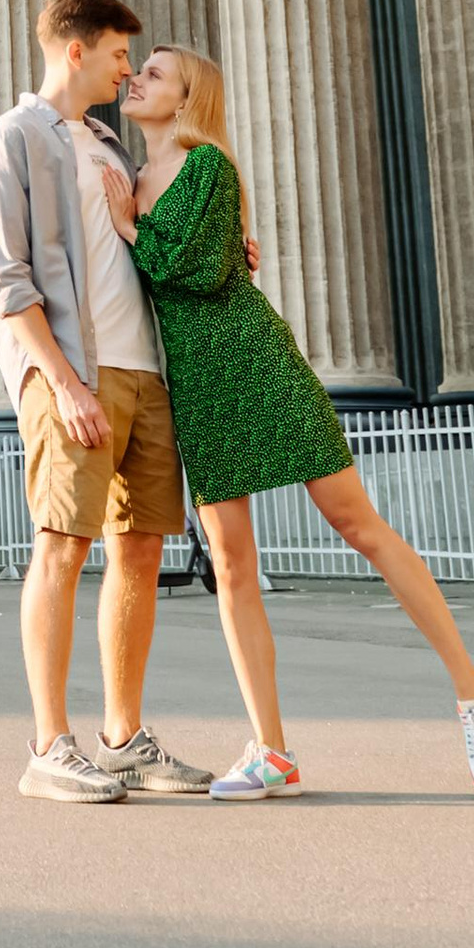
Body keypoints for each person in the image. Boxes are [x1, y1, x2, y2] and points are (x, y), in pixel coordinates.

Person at [112, 45, 474, 798]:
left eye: (154, 72)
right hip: (199, 389)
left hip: (254, 360)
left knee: (359, 524)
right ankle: (272, 752)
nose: (136, 78)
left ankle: (470, 691)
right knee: (233, 567)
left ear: (184, 99)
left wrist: (133, 231)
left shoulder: (206, 163)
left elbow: (201, 271)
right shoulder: (129, 177)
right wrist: (129, 224)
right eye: (136, 67)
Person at [0, 0, 212, 803]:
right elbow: (5, 280)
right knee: (63, 547)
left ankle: (123, 740)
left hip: (146, 372)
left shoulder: (112, 147)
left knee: (141, 551)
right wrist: (65, 381)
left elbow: (149, 239)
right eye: (119, 54)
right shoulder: (13, 139)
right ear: (75, 51)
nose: (126, 69)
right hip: (72, 374)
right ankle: (48, 746)